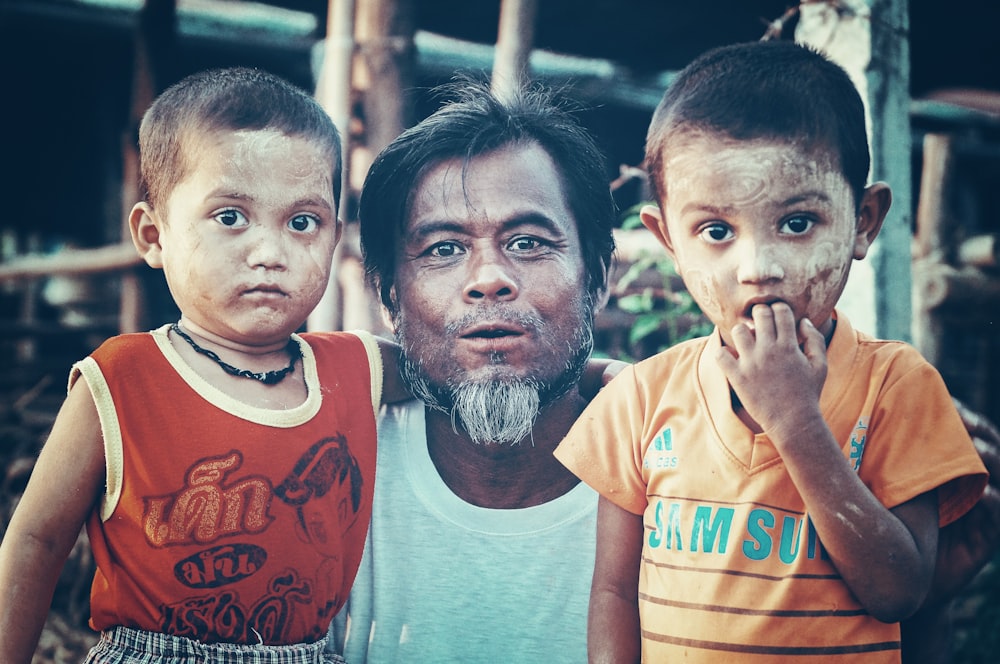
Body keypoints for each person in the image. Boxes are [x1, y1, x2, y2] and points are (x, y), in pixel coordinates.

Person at [553, 40, 990, 663]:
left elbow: (900, 592)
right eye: (716, 232)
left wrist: (797, 424)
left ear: (863, 221)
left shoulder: (896, 385)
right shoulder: (641, 398)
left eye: (796, 223)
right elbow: (615, 592)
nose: (758, 268)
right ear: (668, 240)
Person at [0, 67, 405, 663]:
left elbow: (465, 372)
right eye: (230, 216)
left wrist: (594, 378)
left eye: (302, 222)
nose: (269, 253)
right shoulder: (122, 379)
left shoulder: (355, 368)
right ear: (152, 234)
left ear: (335, 236)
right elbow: (36, 541)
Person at [327, 80, 618, 663]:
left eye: (530, 242)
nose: (489, 277)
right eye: (442, 249)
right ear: (389, 298)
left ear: (598, 278)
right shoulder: (329, 472)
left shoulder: (679, 473)